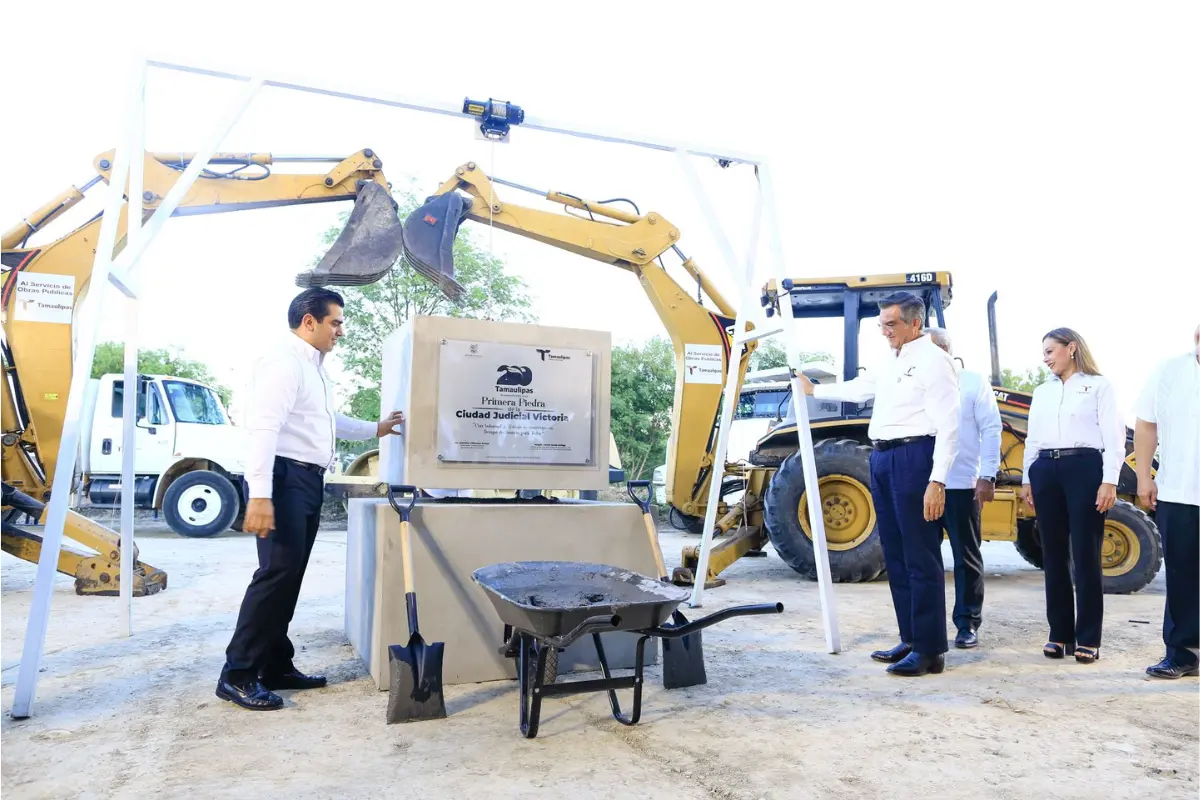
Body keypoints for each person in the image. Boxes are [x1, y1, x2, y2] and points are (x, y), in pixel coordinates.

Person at [217, 287, 406, 711]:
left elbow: (326, 420)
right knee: (274, 577)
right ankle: (238, 674)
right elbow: (263, 430)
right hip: (282, 480)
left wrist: (374, 428)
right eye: (335, 322)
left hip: (304, 481)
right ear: (309, 322)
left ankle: (275, 665)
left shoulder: (314, 370)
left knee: (289, 577)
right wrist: (260, 496)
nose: (341, 331)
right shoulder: (283, 365)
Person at [798, 291, 960, 676]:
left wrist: (937, 481)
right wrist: (815, 390)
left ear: (915, 323)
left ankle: (930, 650)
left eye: (891, 324)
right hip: (883, 457)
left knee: (921, 555)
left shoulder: (935, 362)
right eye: (881, 325)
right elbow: (859, 388)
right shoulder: (891, 360)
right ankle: (910, 637)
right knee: (896, 554)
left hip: (915, 457)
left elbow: (950, 426)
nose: (884, 331)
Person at [1021, 328, 1123, 665]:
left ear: (1072, 348)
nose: (1046, 358)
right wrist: (1027, 479)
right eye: (1044, 352)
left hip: (1085, 469)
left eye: (1051, 351)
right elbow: (1032, 437)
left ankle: (1089, 637)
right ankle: (1059, 634)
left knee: (1085, 552)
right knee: (1052, 554)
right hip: (1045, 470)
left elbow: (1114, 436)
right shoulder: (1041, 391)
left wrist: (1110, 481)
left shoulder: (1097, 386)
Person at [925, 327, 1002, 649]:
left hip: (960, 485)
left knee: (965, 557)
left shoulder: (972, 382)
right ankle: (924, 629)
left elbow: (991, 427)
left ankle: (967, 623)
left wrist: (988, 475)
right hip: (923, 485)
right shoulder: (917, 382)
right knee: (924, 560)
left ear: (943, 350)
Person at [1134, 324, 1200, 679]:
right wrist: (1144, 476)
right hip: (1178, 489)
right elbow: (1146, 424)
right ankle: (1182, 652)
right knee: (1181, 574)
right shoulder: (1169, 371)